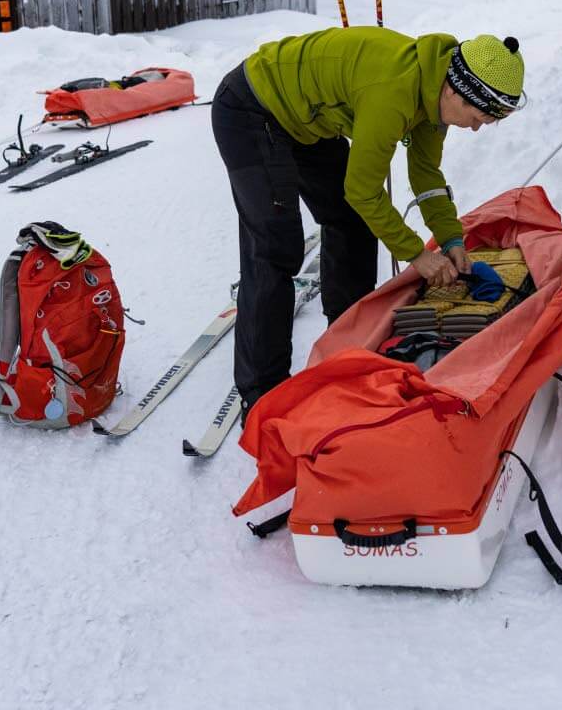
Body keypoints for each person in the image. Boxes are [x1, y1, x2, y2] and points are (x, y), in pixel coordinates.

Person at [211, 27, 525, 423]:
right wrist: (416, 255)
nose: (476, 127)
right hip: (252, 108)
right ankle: (263, 396)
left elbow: (426, 174)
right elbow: (363, 189)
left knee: (351, 223)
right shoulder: (395, 90)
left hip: (308, 120)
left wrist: (450, 239)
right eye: (477, 118)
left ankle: (350, 343)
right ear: (455, 92)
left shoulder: (436, 94)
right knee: (275, 248)